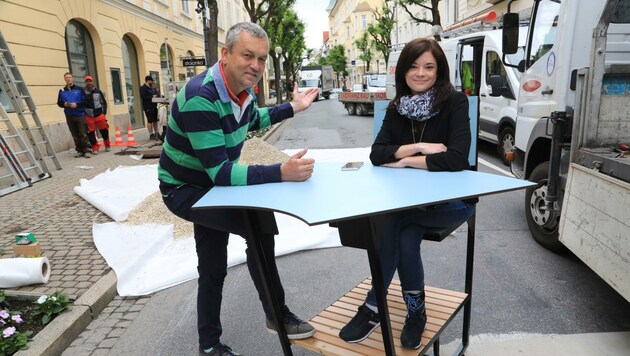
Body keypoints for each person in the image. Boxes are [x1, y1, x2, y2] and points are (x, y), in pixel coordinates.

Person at [157, 22, 319, 356]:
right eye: (248, 55)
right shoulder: (202, 97)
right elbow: (222, 174)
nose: (256, 66)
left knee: (213, 266)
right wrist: (282, 172)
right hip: (186, 189)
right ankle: (276, 315)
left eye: (261, 58)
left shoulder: (238, 90)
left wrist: (293, 107)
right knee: (258, 228)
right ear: (225, 54)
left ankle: (208, 345)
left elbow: (250, 119)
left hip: (209, 186)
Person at [338, 38, 476, 350]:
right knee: (402, 233)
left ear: (439, 70)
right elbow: (377, 154)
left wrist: (404, 161)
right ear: (403, 72)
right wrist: (419, 148)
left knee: (390, 218)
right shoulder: (397, 108)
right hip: (407, 205)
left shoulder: (455, 102)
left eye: (429, 66)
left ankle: (373, 307)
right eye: (413, 66)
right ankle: (416, 312)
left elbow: (456, 158)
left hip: (450, 204)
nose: (421, 73)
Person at [57, 72, 91, 158]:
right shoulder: (62, 90)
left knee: (83, 133)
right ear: (65, 79)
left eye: (70, 77)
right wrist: (64, 104)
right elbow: (59, 102)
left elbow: (86, 102)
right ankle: (79, 150)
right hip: (69, 115)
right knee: (74, 134)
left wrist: (77, 105)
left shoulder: (79, 89)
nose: (68, 79)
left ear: (73, 79)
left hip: (80, 114)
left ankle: (86, 150)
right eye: (66, 77)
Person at [82, 76, 110, 153]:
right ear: (85, 82)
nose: (89, 83)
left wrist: (103, 113)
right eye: (87, 81)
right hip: (89, 115)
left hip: (99, 114)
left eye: (90, 81)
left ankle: (107, 144)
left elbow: (103, 102)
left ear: (92, 82)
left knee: (104, 131)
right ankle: (95, 147)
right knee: (90, 133)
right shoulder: (83, 92)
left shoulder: (98, 91)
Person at [139, 75, 159, 140]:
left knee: (155, 120)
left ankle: (156, 132)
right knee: (150, 120)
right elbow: (143, 97)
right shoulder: (143, 88)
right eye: (151, 81)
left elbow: (156, 94)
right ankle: (151, 134)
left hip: (154, 106)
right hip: (148, 106)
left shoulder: (152, 88)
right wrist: (151, 97)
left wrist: (156, 94)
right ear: (148, 80)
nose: (151, 82)